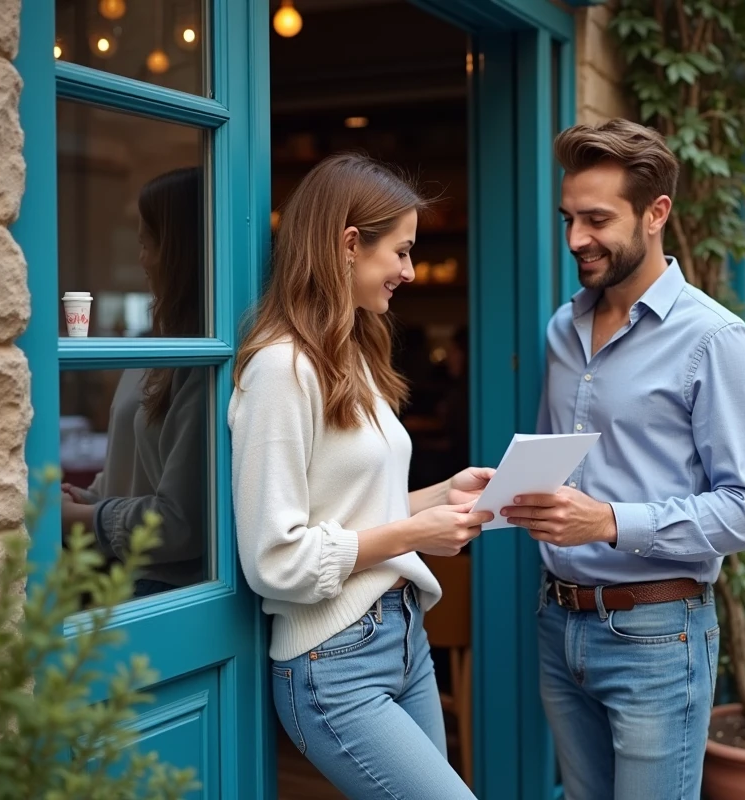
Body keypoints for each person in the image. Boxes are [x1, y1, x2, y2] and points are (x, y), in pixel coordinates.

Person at [500, 119, 745, 799]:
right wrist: (503, 493)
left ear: (656, 214)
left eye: (597, 220)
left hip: (657, 637)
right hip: (559, 625)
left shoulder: (716, 341)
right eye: (568, 218)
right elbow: (552, 463)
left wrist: (609, 523)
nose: (575, 240)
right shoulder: (562, 329)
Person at [229, 153, 493, 799]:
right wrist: (413, 534)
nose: (408, 270)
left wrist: (444, 493)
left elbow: (351, 507)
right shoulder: (280, 370)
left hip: (403, 638)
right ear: (350, 244)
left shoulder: (353, 357)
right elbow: (275, 556)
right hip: (333, 662)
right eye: (400, 252)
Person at [61, 167, 207, 597]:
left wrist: (77, 519)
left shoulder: (205, 362)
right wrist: (88, 498)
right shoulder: (156, 346)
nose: (141, 259)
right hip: (127, 579)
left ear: (180, 250)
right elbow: (134, 470)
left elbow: (182, 523)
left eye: (147, 243)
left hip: (166, 593)